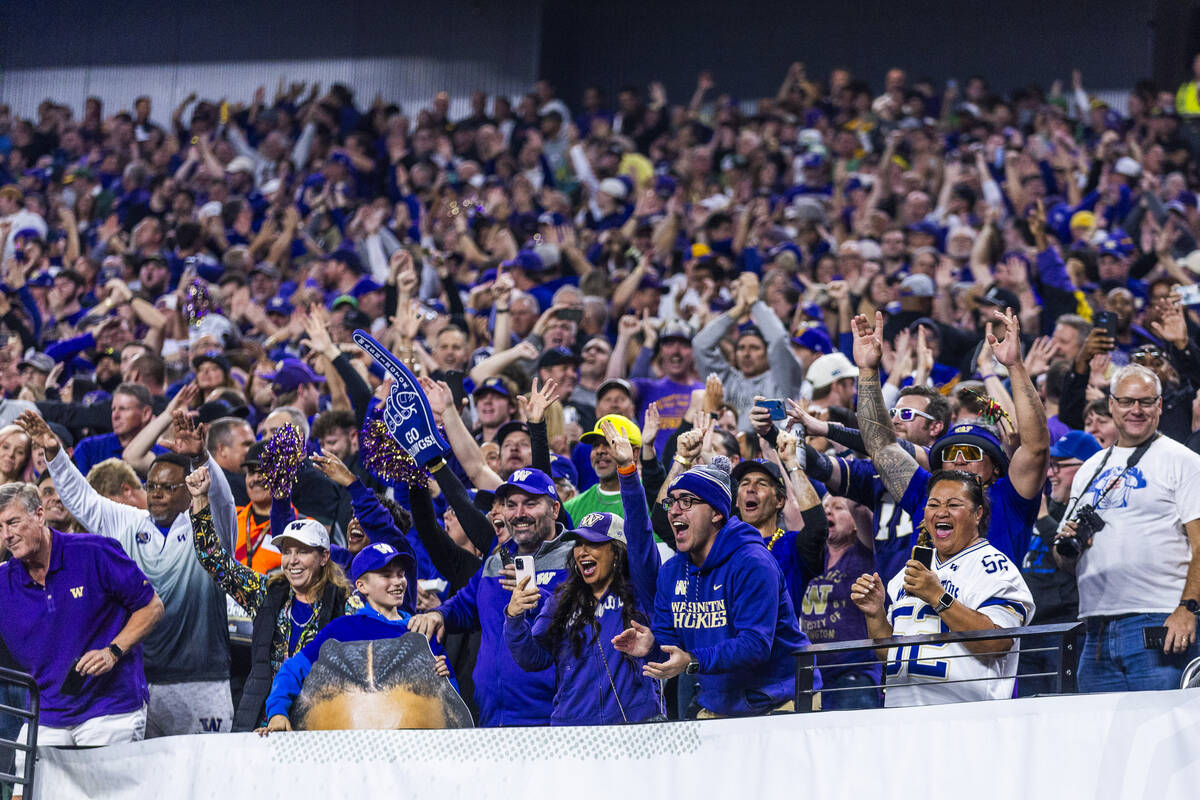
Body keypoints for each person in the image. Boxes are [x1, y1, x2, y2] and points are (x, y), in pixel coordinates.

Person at [19, 410, 237, 737]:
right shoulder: (130, 523)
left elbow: (222, 499)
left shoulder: (209, 530)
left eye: (168, 486)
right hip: (140, 682)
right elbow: (83, 500)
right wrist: (55, 453)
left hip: (201, 681)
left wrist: (200, 457)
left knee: (204, 785)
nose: (157, 493)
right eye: (152, 486)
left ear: (188, 489)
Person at [852, 309, 1049, 568]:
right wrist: (868, 372)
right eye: (948, 454)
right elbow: (880, 445)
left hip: (989, 608)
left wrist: (1015, 366)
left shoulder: (1010, 497)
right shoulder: (925, 494)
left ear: (996, 469)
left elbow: (1036, 446)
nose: (957, 460)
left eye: (970, 454)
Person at [0, 482, 164, 778]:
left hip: (109, 707)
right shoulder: (3, 582)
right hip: (47, 713)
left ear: (39, 514)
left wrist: (114, 651)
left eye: (12, 522)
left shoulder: (94, 552)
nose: (6, 535)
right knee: (26, 791)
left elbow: (152, 607)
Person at [504, 420, 663, 725]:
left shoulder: (642, 589)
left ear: (616, 552)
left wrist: (628, 473)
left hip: (634, 730)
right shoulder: (562, 599)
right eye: (578, 543)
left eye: (594, 543)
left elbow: (641, 534)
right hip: (573, 733)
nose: (582, 551)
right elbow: (532, 658)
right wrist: (513, 619)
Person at [1054, 364, 1200, 692]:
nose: (1136, 410)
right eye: (1127, 401)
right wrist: (1067, 546)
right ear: (1111, 404)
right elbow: (1064, 559)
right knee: (1103, 736)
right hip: (1095, 628)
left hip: (1159, 619)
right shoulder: (1090, 468)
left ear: (1160, 406)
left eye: (1146, 402)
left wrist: (1188, 609)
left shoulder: (1184, 461)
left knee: (1162, 733)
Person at [185, 464, 356, 731]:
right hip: (262, 722)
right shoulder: (267, 593)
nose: (292, 561)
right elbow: (214, 559)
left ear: (324, 557)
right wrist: (199, 500)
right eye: (287, 552)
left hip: (323, 722)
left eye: (303, 552)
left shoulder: (345, 603)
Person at [851, 470, 1036, 707]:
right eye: (933, 504)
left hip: (965, 721)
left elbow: (996, 644)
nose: (941, 512)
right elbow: (891, 656)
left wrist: (938, 596)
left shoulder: (995, 568)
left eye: (954, 504)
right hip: (902, 718)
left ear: (977, 513)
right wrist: (875, 614)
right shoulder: (908, 573)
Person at [648, 456, 814, 717]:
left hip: (781, 699)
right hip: (722, 702)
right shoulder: (672, 572)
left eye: (687, 501)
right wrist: (649, 644)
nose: (674, 510)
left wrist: (692, 660)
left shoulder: (753, 563)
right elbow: (669, 643)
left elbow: (754, 645)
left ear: (716, 513)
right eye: (671, 501)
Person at [408, 468, 574, 727]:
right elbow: (465, 604)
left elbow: (584, 618)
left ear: (554, 509)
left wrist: (537, 598)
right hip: (492, 718)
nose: (519, 513)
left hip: (553, 719)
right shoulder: (496, 562)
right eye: (511, 505)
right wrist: (438, 614)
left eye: (531, 503)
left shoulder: (576, 558)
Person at [260, 542, 455, 732]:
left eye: (401, 574)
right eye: (387, 575)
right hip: (354, 747)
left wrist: (441, 681)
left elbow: (452, 706)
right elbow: (293, 669)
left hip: (408, 747)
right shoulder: (343, 629)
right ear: (362, 586)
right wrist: (277, 712)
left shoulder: (421, 630)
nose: (397, 582)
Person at [1018, 429, 1100, 696]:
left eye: (1059, 466)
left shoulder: (1094, 512)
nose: (1050, 473)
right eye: (1049, 466)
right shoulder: (1047, 506)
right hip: (1029, 630)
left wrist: (1042, 517)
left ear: (1086, 467)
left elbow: (1073, 557)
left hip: (1066, 630)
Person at [693, 273, 805, 427]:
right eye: (741, 348)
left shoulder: (782, 380)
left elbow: (778, 340)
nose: (746, 354)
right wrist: (737, 311)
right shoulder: (728, 381)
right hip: (730, 449)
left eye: (754, 348)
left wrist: (754, 303)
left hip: (773, 449)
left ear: (767, 354)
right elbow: (700, 346)